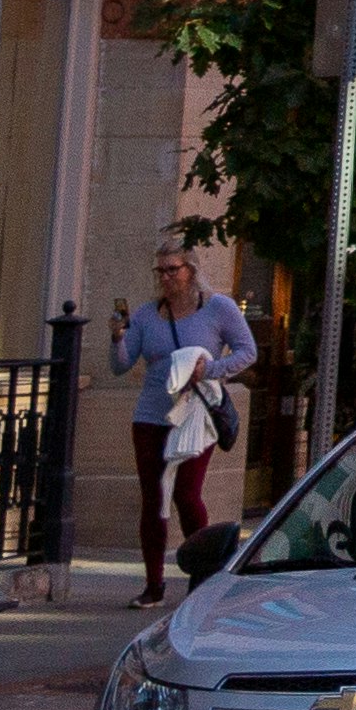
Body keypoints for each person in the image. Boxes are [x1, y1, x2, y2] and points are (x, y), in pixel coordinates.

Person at [113, 251, 256, 603]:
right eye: (159, 270)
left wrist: (208, 370)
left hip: (195, 414)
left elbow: (246, 351)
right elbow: (121, 365)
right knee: (153, 497)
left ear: (190, 271)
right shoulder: (147, 314)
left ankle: (205, 577)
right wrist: (117, 337)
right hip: (152, 414)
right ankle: (154, 584)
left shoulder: (218, 308)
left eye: (172, 270)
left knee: (186, 493)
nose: (165, 277)